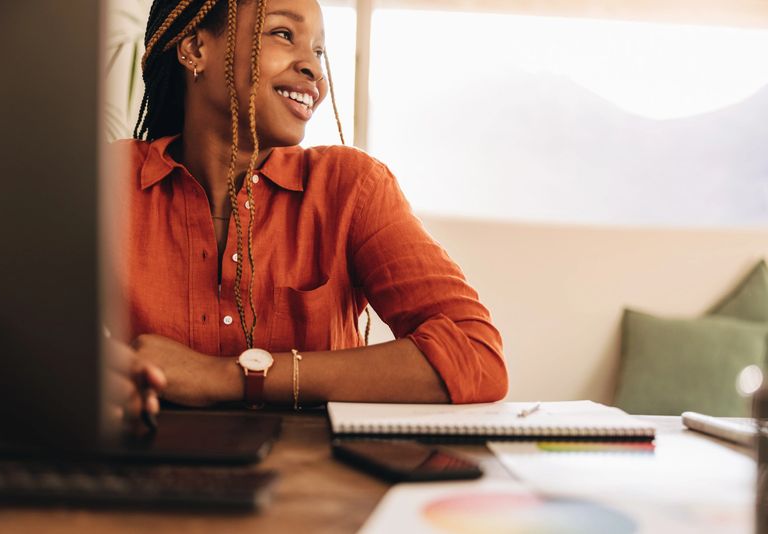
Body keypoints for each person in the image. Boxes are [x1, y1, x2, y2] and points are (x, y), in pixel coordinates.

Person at [110, 0, 508, 422]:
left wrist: (225, 376)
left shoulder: (350, 187)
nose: (315, 71)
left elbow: (475, 354)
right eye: (284, 34)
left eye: (319, 52)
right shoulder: (106, 183)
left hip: (321, 480)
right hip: (138, 478)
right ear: (194, 48)